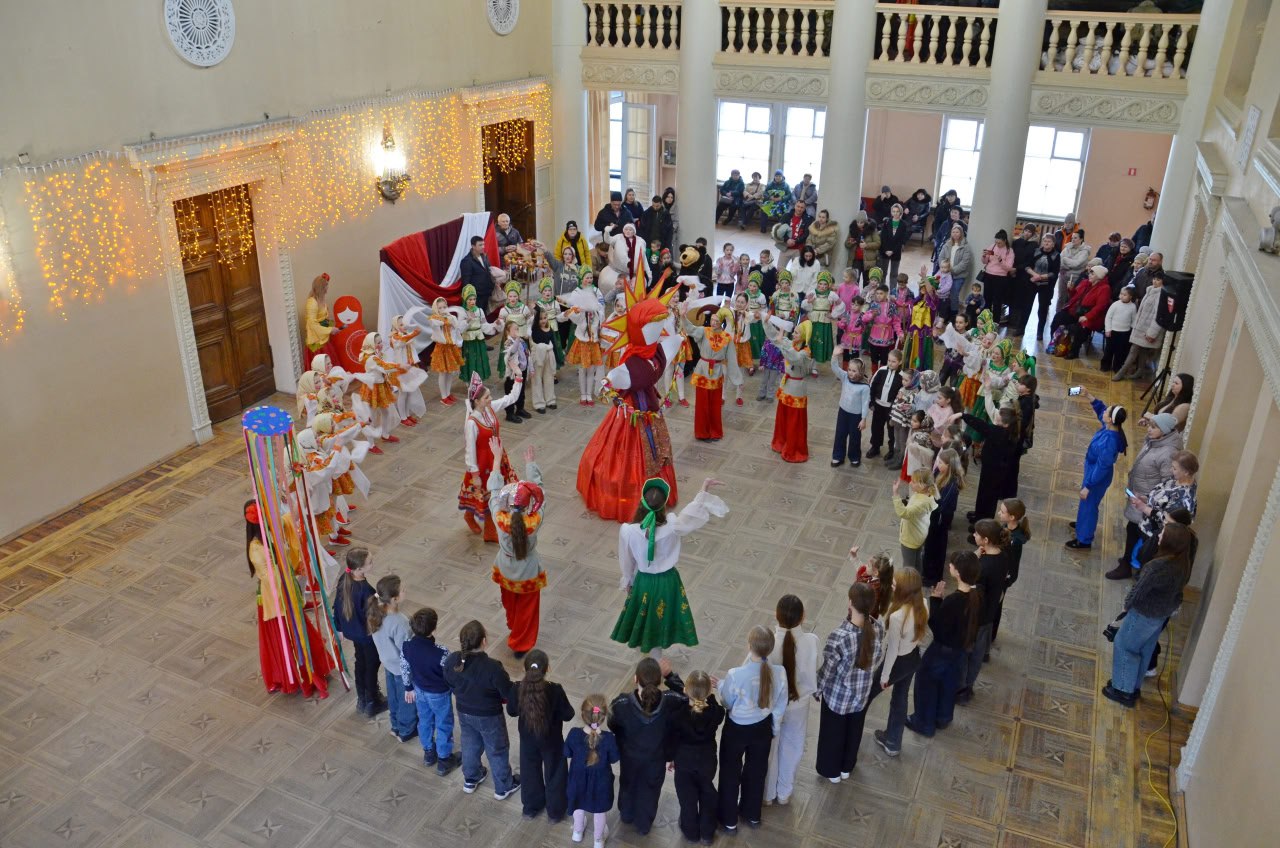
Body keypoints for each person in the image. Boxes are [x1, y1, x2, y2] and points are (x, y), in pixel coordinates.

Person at [577, 276, 682, 521]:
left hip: (649, 408)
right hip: (632, 414)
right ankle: (629, 498)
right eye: (653, 326)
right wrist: (607, 383)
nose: (658, 330)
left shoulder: (656, 349)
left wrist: (677, 338)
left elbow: (672, 345)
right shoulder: (631, 363)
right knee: (625, 458)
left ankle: (650, 491)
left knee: (653, 452)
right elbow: (614, 378)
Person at [611, 477, 727, 654]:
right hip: (668, 581)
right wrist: (704, 488)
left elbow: (627, 561)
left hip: (644, 582)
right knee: (661, 619)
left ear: (641, 502)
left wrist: (628, 580)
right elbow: (693, 513)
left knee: (645, 618)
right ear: (663, 506)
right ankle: (656, 657)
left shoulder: (628, 531)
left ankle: (650, 661)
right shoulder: (673, 526)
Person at [245, 501, 334, 699]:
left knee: (299, 632)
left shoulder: (272, 534)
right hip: (276, 601)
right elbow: (270, 577)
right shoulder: (257, 549)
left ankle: (309, 669)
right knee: (287, 638)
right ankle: (295, 676)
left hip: (287, 594)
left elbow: (290, 519)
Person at [1102, 524, 1194, 707]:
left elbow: (1139, 590)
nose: (1159, 537)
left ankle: (1122, 689)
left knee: (1124, 645)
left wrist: (1126, 607)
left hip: (1144, 613)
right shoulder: (1183, 563)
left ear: (1170, 542)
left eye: (1162, 536)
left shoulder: (1157, 566)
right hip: (1160, 615)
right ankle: (1133, 687)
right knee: (1145, 650)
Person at [717, 626, 787, 834]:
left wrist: (721, 685)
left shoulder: (736, 674)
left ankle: (729, 820)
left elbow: (727, 702)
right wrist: (774, 729)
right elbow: (779, 706)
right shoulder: (779, 673)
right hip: (762, 729)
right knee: (757, 772)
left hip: (737, 729)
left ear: (749, 647)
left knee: (730, 772)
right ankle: (752, 814)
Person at [905, 551, 982, 737]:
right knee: (948, 684)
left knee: (925, 682)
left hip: (942, 650)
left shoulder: (954, 601)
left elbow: (938, 628)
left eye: (952, 565)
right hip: (960, 651)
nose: (950, 566)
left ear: (958, 573)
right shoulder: (977, 595)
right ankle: (943, 717)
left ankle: (923, 723)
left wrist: (935, 600)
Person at [815, 582, 884, 782]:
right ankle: (847, 767)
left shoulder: (840, 636)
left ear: (850, 603)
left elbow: (828, 670)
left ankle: (832, 771)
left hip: (838, 697)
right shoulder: (878, 628)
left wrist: (817, 690)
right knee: (854, 732)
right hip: (861, 695)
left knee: (833, 735)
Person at [609, 657, 686, 835]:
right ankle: (644, 825)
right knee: (650, 790)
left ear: (636, 679)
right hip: (656, 759)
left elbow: (613, 724)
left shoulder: (622, 704)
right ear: (660, 680)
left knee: (628, 784)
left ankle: (626, 814)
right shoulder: (670, 701)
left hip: (629, 757)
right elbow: (686, 696)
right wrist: (671, 675)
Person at [444, 620, 520, 798]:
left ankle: (471, 778)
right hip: (489, 716)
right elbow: (507, 693)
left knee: (469, 743)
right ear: (484, 641)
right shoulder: (493, 667)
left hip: (463, 711)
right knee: (497, 749)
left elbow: (448, 681)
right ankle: (503, 786)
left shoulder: (452, 660)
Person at [487, 443, 547, 657]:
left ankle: (514, 627)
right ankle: (521, 642)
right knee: (527, 611)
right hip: (529, 571)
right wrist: (531, 465)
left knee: (511, 604)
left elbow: (493, 493)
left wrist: (496, 459)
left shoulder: (500, 519)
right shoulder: (534, 521)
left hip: (505, 569)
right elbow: (542, 496)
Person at [760, 595, 818, 806]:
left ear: (776, 616)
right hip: (799, 704)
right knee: (793, 746)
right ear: (803, 617)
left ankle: (767, 793)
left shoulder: (768, 643)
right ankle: (784, 792)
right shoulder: (811, 641)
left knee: (771, 747)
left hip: (773, 705)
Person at [1111, 412, 1183, 579]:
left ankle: (1127, 565)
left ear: (1164, 431)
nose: (1149, 430)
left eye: (1154, 427)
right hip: (1140, 495)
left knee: (1135, 532)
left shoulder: (1168, 453)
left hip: (1146, 501)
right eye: (1150, 426)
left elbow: (1167, 483)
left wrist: (1148, 499)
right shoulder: (1156, 441)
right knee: (1133, 530)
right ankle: (1128, 559)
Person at [506, 650, 574, 821]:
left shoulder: (517, 688)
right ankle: (556, 812)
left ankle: (531, 807)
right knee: (556, 773)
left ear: (525, 668)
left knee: (529, 771)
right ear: (547, 668)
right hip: (551, 740)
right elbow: (568, 714)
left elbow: (512, 710)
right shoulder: (555, 690)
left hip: (528, 740)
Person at [458, 370, 522, 542]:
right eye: (487, 397)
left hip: (497, 456)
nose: (490, 399)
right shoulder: (472, 422)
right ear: (477, 401)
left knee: (497, 491)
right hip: (483, 461)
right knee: (487, 494)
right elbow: (470, 449)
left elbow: (511, 398)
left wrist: (518, 377)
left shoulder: (490, 409)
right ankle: (489, 530)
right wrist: (475, 474)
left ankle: (472, 517)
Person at [870, 567, 928, 757]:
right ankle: (893, 742)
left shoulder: (897, 617)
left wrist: (884, 677)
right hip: (913, 659)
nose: (892, 587)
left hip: (897, 662)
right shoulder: (924, 605)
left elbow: (892, 651)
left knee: (867, 693)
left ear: (903, 590)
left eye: (895, 584)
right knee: (901, 697)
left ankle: (851, 729)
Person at [955, 520, 1010, 703]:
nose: (974, 536)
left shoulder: (983, 567)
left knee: (966, 655)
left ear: (985, 540)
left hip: (975, 617)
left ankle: (962, 690)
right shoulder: (1002, 556)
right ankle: (967, 687)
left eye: (977, 534)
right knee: (978, 653)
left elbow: (971, 590)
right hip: (989, 613)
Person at [401, 607, 460, 774]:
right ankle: (444, 758)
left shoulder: (407, 646)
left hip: (419, 690)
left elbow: (404, 667)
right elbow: (450, 675)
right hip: (439, 694)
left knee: (425, 720)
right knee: (443, 723)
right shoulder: (441, 652)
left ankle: (428, 752)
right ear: (434, 628)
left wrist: (408, 687)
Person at [669, 671, 725, 844]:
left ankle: (690, 831)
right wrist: (712, 698)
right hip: (707, 759)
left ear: (685, 690)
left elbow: (672, 739)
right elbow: (718, 710)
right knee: (707, 792)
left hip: (684, 760)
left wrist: (670, 757)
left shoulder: (678, 714)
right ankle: (707, 832)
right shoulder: (716, 712)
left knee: (687, 798)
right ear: (709, 692)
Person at [333, 548, 383, 716]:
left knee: (360, 662)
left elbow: (337, 606)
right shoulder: (366, 590)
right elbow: (372, 616)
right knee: (372, 665)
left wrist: (338, 627)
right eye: (370, 562)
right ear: (359, 569)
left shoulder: (344, 579)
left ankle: (361, 698)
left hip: (351, 631)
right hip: (366, 635)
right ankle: (372, 701)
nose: (372, 563)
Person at [566, 694, 620, 847]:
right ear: (603, 717)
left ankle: (577, 832)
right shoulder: (609, 738)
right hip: (601, 782)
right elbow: (614, 758)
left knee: (577, 803)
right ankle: (598, 840)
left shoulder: (574, 734)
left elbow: (567, 752)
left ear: (583, 715)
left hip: (577, 780)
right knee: (599, 810)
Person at [1130, 450, 1199, 566]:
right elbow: (1161, 497)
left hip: (1156, 537)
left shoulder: (1185, 497)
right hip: (1147, 528)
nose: (1171, 470)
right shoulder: (1176, 480)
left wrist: (1144, 508)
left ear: (1186, 472)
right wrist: (1144, 499)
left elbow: (1169, 521)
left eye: (1175, 468)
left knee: (1144, 563)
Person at [952, 405, 1021, 522]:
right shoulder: (1008, 431)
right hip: (992, 469)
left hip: (995, 471)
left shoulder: (998, 432)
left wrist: (963, 415)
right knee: (983, 493)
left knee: (988, 498)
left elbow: (980, 425)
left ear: (1005, 424)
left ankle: (984, 523)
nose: (995, 420)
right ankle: (979, 514)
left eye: (997, 419)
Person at [368, 575, 416, 742]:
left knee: (394, 697)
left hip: (388, 664)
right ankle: (406, 730)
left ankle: (395, 725)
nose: (405, 590)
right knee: (407, 700)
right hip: (402, 668)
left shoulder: (377, 613)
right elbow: (406, 651)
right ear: (395, 599)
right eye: (403, 589)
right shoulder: (399, 623)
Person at [684, 304, 738, 442]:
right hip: (703, 370)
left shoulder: (727, 338)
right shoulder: (704, 331)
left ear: (722, 322)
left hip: (717, 371)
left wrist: (736, 378)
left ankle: (714, 431)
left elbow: (732, 358)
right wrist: (683, 316)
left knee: (715, 404)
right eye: (712, 320)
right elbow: (690, 329)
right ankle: (702, 432)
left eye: (716, 320)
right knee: (702, 404)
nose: (713, 322)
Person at [766, 319, 815, 463]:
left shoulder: (805, 352)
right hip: (786, 384)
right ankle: (781, 442)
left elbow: (794, 358)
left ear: (805, 336)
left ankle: (794, 450)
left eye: (797, 332)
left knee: (795, 420)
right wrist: (766, 321)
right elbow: (775, 336)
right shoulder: (791, 344)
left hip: (797, 387)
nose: (794, 334)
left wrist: (781, 342)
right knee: (783, 416)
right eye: (794, 331)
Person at [1111, 271, 1166, 381]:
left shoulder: (1161, 295)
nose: (1155, 281)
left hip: (1148, 329)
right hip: (1141, 327)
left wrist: (1152, 332)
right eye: (1154, 279)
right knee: (1142, 351)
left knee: (1133, 350)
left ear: (1163, 282)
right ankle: (1140, 371)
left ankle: (1122, 372)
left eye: (1158, 280)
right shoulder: (1150, 290)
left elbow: (1159, 315)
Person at [922, 449, 965, 590]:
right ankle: (927, 571)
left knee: (937, 548)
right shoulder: (938, 473)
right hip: (933, 516)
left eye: (941, 462)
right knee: (929, 546)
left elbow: (941, 505)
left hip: (940, 520)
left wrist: (928, 499)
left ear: (950, 466)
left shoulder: (952, 484)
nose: (937, 464)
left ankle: (934, 577)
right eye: (938, 461)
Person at [830, 350, 870, 467]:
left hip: (856, 416)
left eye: (854, 371)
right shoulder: (845, 377)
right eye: (849, 370)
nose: (850, 373)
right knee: (840, 434)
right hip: (843, 412)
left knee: (855, 437)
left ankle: (854, 456)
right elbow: (835, 368)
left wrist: (863, 419)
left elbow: (865, 403)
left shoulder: (864, 387)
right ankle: (838, 456)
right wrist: (834, 356)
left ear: (861, 372)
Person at [893, 471, 939, 571]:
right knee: (917, 561)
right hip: (918, 535)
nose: (910, 483)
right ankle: (917, 579)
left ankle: (910, 584)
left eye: (913, 481)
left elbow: (903, 513)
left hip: (910, 539)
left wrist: (896, 494)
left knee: (908, 568)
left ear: (922, 485)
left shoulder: (921, 503)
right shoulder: (925, 495)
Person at [1018, 233, 1061, 339]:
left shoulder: (1056, 255)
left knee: (1042, 309)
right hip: (1032, 282)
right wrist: (1034, 275)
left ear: (1053, 244)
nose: (1046, 243)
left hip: (1046, 286)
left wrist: (1040, 277)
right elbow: (1027, 266)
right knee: (1026, 306)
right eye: (1045, 241)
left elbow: (1054, 273)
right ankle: (1021, 328)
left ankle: (1040, 332)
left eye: (1049, 241)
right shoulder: (1036, 251)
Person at [867, 347, 903, 458]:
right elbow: (872, 385)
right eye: (889, 360)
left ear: (900, 362)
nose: (890, 363)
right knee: (876, 427)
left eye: (894, 361)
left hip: (891, 409)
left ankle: (892, 450)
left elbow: (902, 392)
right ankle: (875, 447)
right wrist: (871, 402)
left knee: (891, 430)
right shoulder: (881, 370)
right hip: (878, 406)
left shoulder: (902, 376)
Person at [978, 230, 1015, 326]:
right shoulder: (992, 246)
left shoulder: (1009, 251)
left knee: (997, 301)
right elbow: (985, 262)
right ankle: (986, 320)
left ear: (1005, 241)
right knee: (987, 299)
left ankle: (995, 322)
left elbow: (1009, 268)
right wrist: (984, 256)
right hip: (988, 275)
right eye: (996, 242)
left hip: (1000, 278)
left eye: (999, 242)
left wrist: (1000, 260)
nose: (997, 244)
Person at [304, 272, 340, 359]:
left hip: (323, 338)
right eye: (326, 286)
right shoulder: (312, 302)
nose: (328, 288)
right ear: (322, 288)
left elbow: (321, 317)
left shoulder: (321, 300)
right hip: (317, 341)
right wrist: (330, 330)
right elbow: (312, 325)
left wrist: (329, 321)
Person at [1101, 286, 1137, 372]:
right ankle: (1105, 365)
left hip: (1124, 333)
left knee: (1120, 352)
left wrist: (1132, 330)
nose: (1122, 296)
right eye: (1121, 294)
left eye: (1125, 295)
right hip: (1112, 331)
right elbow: (1108, 317)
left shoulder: (1133, 307)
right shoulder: (1115, 304)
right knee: (1109, 350)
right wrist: (1108, 329)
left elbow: (1134, 320)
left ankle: (1117, 367)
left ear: (1130, 297)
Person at [460, 236, 496, 315]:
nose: (483, 247)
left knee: (484, 316)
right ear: (473, 246)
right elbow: (466, 282)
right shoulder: (466, 261)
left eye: (483, 244)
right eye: (480, 245)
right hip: (476, 297)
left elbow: (489, 271)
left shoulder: (484, 256)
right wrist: (470, 298)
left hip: (486, 293)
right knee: (476, 317)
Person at [777, 199, 814, 270]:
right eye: (798, 206)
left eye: (802, 207)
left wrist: (795, 241)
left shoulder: (808, 219)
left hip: (798, 249)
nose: (799, 209)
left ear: (804, 208)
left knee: (796, 272)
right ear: (795, 206)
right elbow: (779, 230)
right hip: (785, 247)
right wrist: (787, 239)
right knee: (779, 270)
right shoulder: (786, 216)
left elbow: (806, 234)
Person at [1058, 229, 1092, 306]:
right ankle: (1058, 316)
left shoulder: (1085, 251)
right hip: (1063, 275)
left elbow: (1076, 264)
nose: (1073, 239)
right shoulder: (1067, 248)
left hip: (1075, 277)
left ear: (1081, 239)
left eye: (1075, 238)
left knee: (1070, 298)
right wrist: (1068, 263)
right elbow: (1059, 261)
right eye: (1072, 238)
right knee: (1061, 297)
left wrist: (1065, 260)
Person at [878, 203, 909, 282]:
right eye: (894, 211)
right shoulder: (886, 222)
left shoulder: (904, 224)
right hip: (885, 250)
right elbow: (883, 237)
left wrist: (893, 251)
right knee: (883, 273)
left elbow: (902, 240)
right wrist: (886, 250)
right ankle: (882, 290)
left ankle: (893, 292)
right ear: (891, 212)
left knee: (894, 274)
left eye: (897, 211)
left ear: (900, 212)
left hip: (896, 251)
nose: (895, 213)